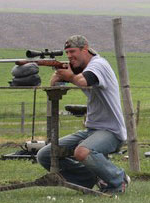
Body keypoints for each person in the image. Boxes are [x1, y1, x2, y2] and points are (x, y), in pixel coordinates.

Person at [36, 35, 130, 193]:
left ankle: (117, 180)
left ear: (85, 49)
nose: (70, 56)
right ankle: (87, 179)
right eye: (67, 53)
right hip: (92, 130)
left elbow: (83, 81)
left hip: (111, 131)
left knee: (82, 151)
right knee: (44, 155)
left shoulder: (98, 65)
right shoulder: (83, 68)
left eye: (73, 51)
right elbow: (56, 88)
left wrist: (70, 76)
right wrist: (57, 76)